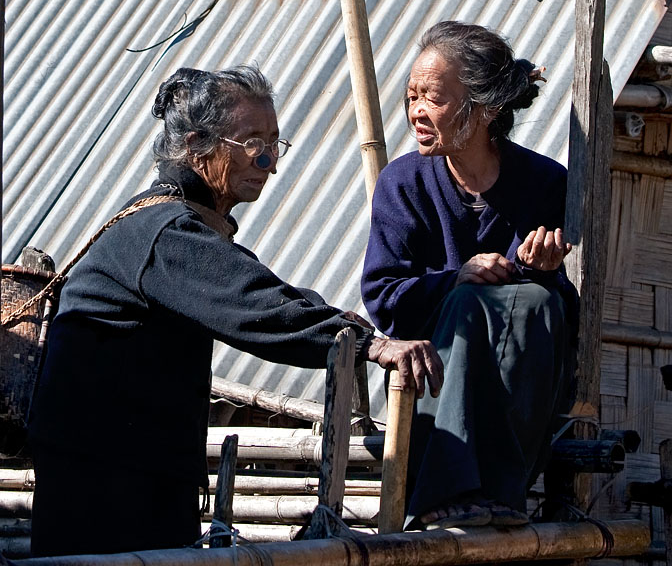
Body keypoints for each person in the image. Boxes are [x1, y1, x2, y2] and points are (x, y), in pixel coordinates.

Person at [28, 65, 443, 556]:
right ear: (199, 144)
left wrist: (345, 326)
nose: (268, 160)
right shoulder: (167, 233)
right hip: (106, 487)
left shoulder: (181, 224)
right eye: (251, 142)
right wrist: (370, 343)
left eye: (274, 142)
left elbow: (259, 285)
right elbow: (255, 306)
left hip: (133, 473)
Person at [361, 22, 577, 530]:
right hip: (436, 363)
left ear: (485, 109)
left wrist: (543, 270)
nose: (416, 111)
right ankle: (448, 491)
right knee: (465, 303)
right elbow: (384, 297)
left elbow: (560, 306)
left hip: (520, 368)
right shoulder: (403, 183)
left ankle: (495, 491)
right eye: (412, 96)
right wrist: (456, 278)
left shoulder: (547, 182)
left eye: (432, 98)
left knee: (541, 304)